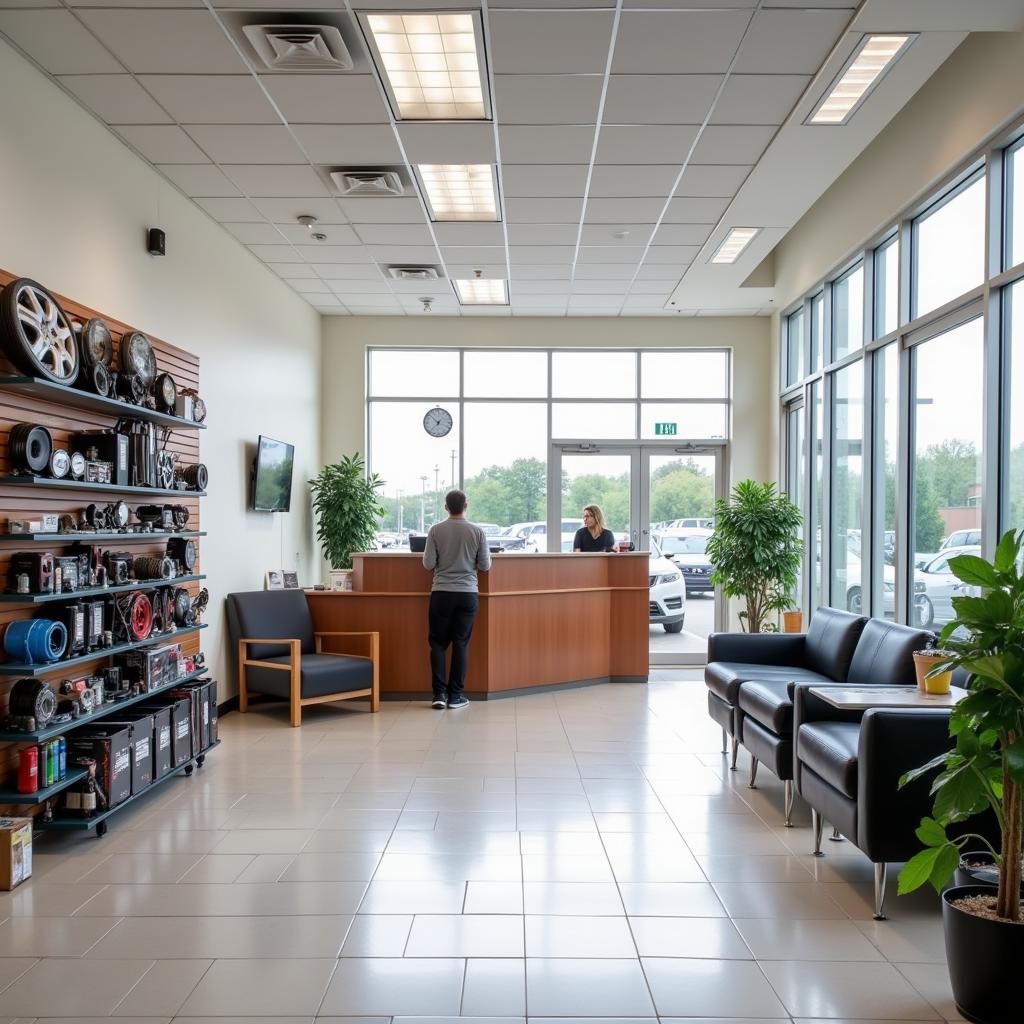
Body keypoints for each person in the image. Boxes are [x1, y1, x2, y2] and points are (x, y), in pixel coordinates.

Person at [422, 488, 491, 709]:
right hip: (467, 594)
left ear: (446, 507)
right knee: (461, 644)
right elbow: (485, 565)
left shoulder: (435, 530)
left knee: (438, 644)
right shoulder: (477, 531)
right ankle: (456, 696)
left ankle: (439, 695)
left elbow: (428, 564)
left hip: (441, 593)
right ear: (466, 506)